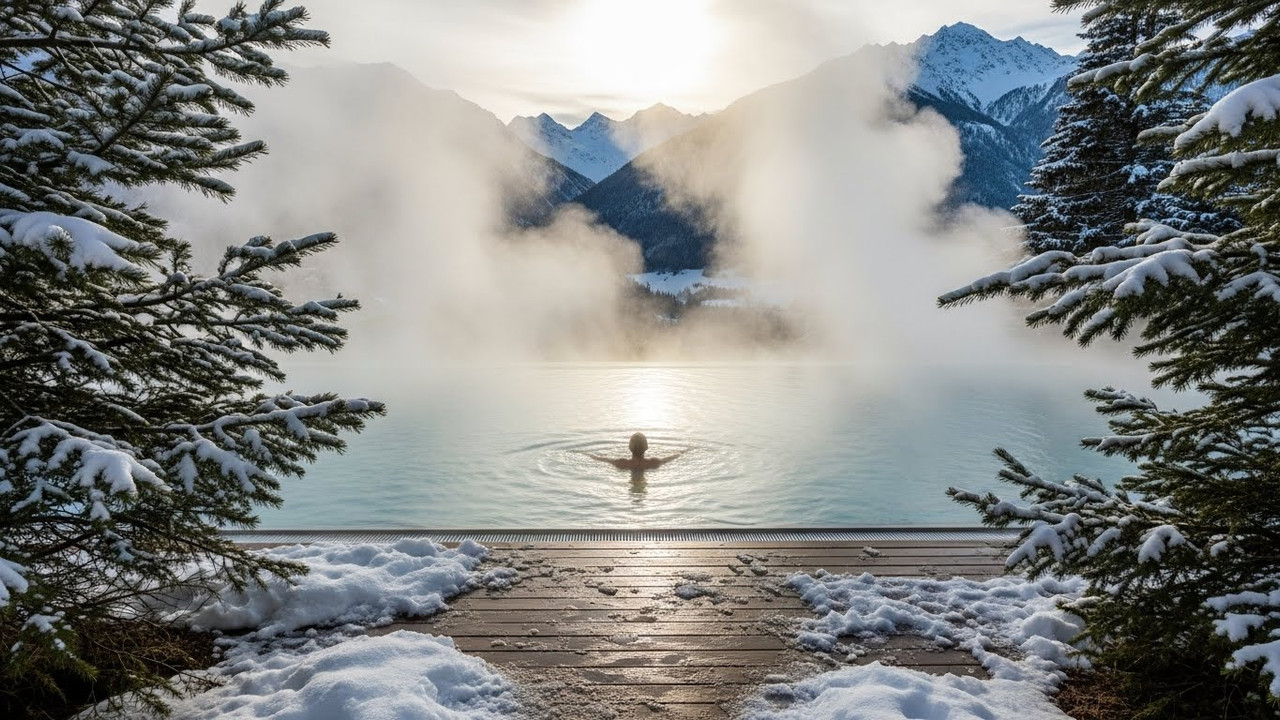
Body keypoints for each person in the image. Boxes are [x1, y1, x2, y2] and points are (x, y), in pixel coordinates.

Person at [587, 432, 686, 472]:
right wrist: (684, 451)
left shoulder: (621, 463)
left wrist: (586, 454)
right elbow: (672, 457)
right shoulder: (654, 463)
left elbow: (601, 459)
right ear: (647, 447)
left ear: (629, 447)